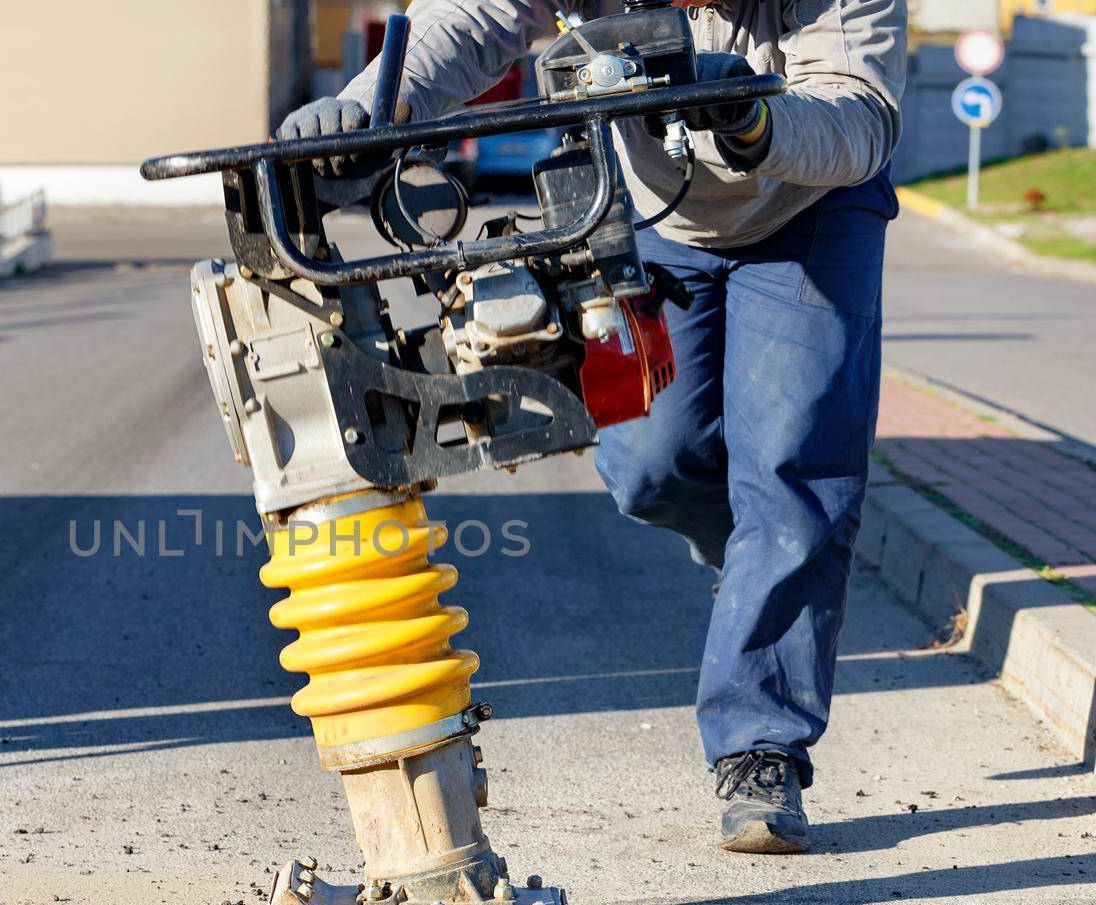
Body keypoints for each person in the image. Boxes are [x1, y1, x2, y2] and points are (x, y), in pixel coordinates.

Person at [279, 0, 906, 854]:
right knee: (647, 459)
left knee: (793, 471)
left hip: (812, 205)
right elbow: (473, 16)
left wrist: (756, 120)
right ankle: (753, 550)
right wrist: (371, 105)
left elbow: (859, 114)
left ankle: (761, 745)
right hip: (653, 203)